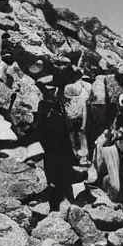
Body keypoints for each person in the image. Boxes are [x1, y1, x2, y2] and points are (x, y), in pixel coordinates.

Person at [33, 75, 76, 212]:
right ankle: (54, 208)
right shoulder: (45, 108)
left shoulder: (56, 105)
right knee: (54, 180)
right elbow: (40, 130)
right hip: (53, 151)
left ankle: (63, 202)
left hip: (61, 149)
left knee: (62, 178)